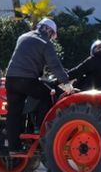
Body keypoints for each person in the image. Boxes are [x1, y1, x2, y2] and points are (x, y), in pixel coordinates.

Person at [5, 18, 71, 153]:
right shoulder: (45, 43)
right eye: (52, 35)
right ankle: (40, 130)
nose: (51, 38)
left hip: (10, 79)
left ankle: (14, 148)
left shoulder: (23, 37)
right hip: (27, 80)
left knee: (14, 113)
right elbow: (54, 65)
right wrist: (66, 83)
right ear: (49, 31)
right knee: (48, 94)